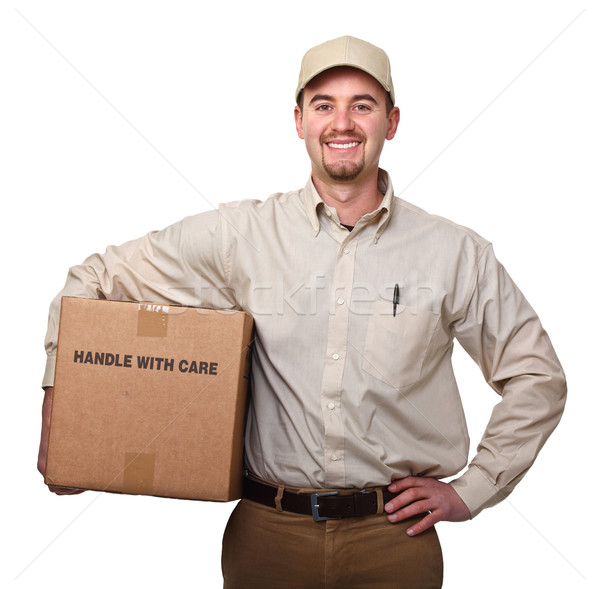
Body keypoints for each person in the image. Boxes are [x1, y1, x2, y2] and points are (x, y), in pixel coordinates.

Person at [38, 36, 567, 588]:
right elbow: (92, 280)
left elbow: (538, 377)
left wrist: (474, 487)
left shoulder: (456, 252)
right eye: (324, 105)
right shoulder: (238, 236)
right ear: (299, 121)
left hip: (395, 542)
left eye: (362, 105)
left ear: (392, 122)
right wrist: (62, 416)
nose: (343, 122)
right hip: (267, 537)